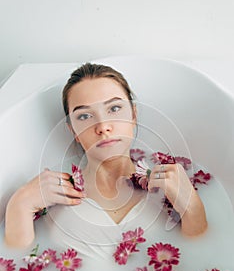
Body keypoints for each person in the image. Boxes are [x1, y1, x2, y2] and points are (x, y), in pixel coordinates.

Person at [4, 63, 207, 249]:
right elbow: (16, 260)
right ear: (73, 130)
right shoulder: (48, 195)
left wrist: (192, 206)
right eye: (84, 116)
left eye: (114, 108)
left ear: (133, 114)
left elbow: (201, 252)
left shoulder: (172, 187)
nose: (102, 126)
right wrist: (20, 205)